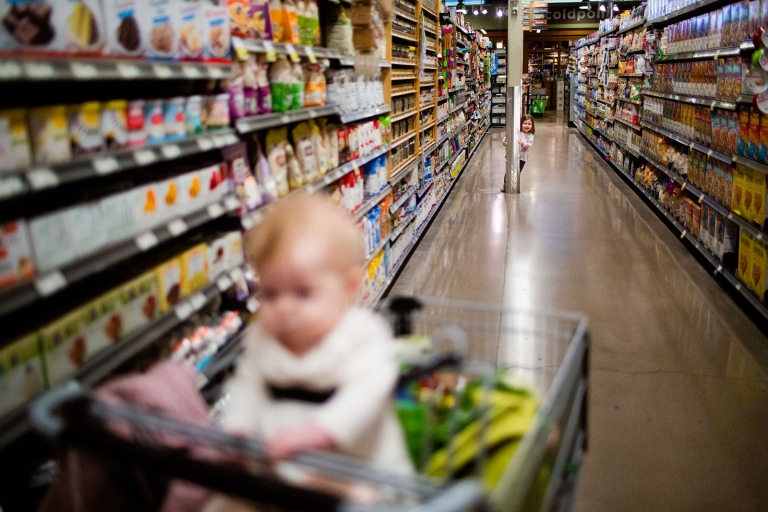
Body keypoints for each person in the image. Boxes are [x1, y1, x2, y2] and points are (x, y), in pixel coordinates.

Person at [205, 195, 413, 511]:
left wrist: (321, 432)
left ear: (348, 287)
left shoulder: (363, 335)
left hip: (359, 473)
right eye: (271, 293)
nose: (285, 308)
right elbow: (248, 386)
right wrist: (238, 429)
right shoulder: (264, 336)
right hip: (282, 471)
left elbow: (367, 394)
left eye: (303, 293)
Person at [501, 115, 536, 192]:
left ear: (532, 125)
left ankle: (514, 184)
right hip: (512, 155)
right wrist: (504, 142)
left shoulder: (530, 135)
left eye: (529, 124)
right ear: (520, 124)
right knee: (509, 170)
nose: (527, 126)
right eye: (525, 123)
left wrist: (523, 143)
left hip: (522, 157)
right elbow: (506, 138)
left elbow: (530, 144)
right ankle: (505, 185)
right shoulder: (516, 132)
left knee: (518, 171)